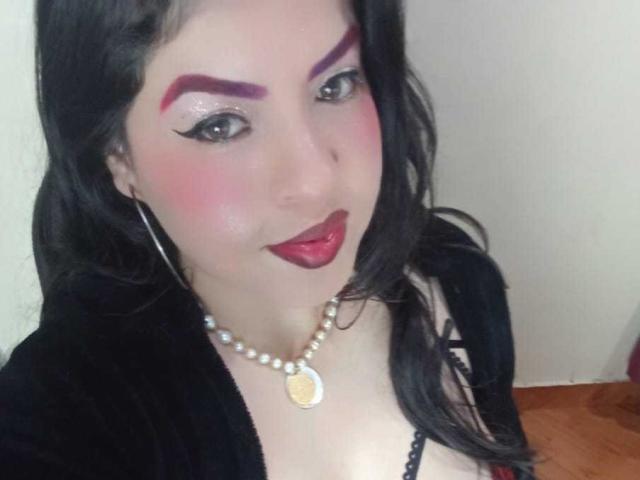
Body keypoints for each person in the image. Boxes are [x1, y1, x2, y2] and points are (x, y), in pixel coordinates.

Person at [0, 0, 536, 478]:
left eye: (336, 85)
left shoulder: (456, 281)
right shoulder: (71, 407)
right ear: (119, 157)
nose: (314, 183)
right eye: (219, 125)